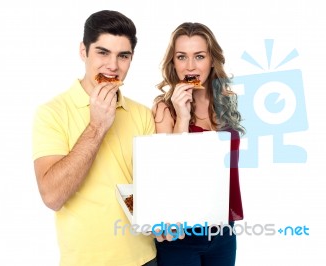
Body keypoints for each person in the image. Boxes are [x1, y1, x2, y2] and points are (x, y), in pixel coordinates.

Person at [32, 10, 157, 266]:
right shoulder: (51, 113)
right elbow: (52, 197)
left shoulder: (143, 114)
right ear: (83, 51)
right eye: (102, 52)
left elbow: (154, 190)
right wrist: (97, 126)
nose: (113, 66)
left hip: (145, 259)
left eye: (123, 56)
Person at [152, 22, 245, 266]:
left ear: (212, 61)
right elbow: (169, 171)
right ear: (173, 63)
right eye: (182, 57)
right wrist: (182, 117)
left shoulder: (224, 101)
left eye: (199, 56)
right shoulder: (165, 109)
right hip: (181, 234)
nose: (190, 66)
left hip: (223, 228)